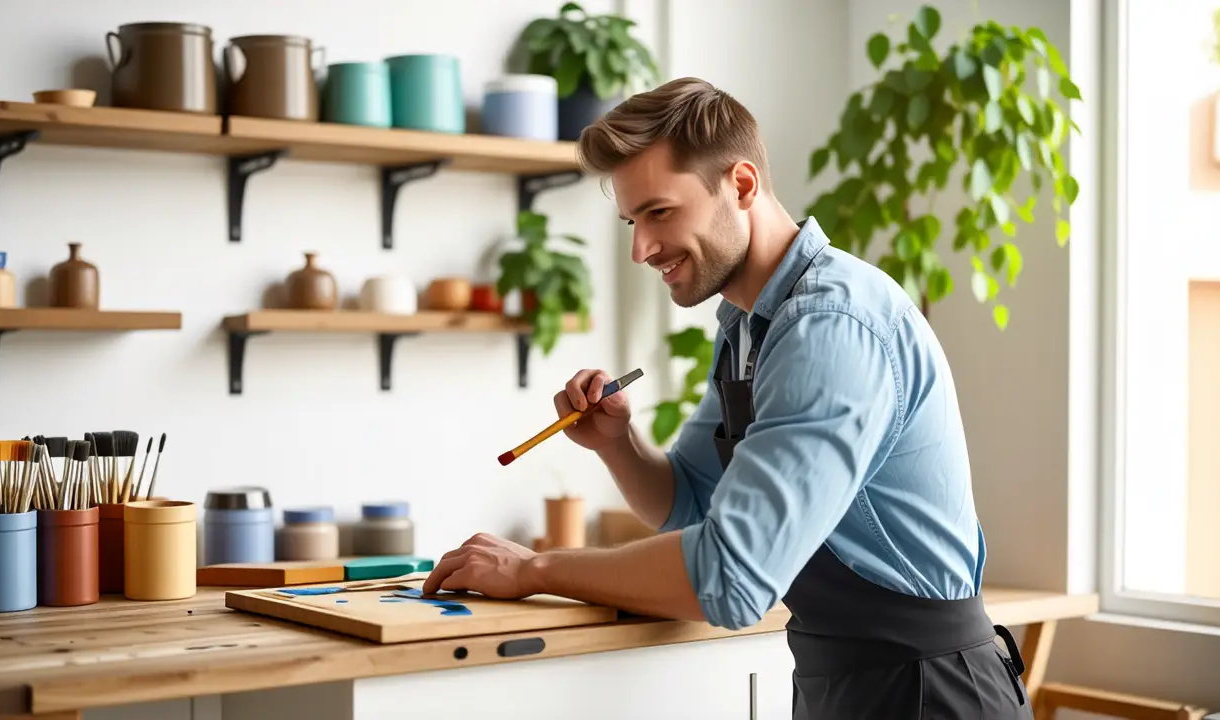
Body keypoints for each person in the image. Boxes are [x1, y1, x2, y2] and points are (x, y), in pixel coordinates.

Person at [423, 77, 1032, 719]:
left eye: (659, 212)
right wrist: (618, 444)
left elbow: (730, 577)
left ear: (740, 185)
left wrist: (535, 570)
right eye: (633, 221)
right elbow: (690, 502)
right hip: (845, 684)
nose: (640, 249)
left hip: (927, 693)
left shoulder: (830, 326)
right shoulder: (749, 326)